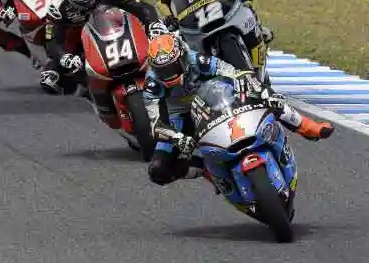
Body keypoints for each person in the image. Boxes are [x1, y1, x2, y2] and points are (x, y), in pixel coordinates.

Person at [143, 33, 334, 186]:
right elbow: (156, 125)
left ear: (182, 57)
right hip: (180, 115)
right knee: (158, 171)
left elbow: (231, 71)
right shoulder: (152, 83)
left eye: (172, 67)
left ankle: (306, 126)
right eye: (162, 70)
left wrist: (248, 83)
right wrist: (177, 137)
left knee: (264, 94)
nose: (169, 74)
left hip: (214, 97)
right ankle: (206, 170)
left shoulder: (197, 60)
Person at [40, 0, 169, 99]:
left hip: (113, 33)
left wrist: (153, 23)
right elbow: (51, 39)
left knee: (162, 39)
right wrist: (64, 57)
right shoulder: (58, 6)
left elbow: (140, 6)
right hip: (79, 45)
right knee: (51, 80)